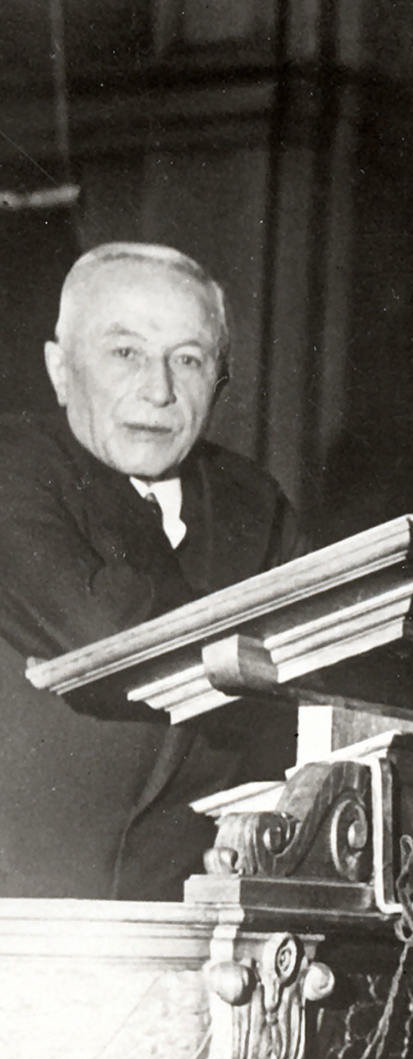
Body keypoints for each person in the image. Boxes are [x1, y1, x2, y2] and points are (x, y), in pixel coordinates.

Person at [0, 242, 302, 900]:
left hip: (188, 921)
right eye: (126, 352)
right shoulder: (15, 466)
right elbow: (106, 637)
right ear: (61, 369)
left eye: (188, 359)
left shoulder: (255, 503)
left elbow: (310, 700)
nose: (160, 390)